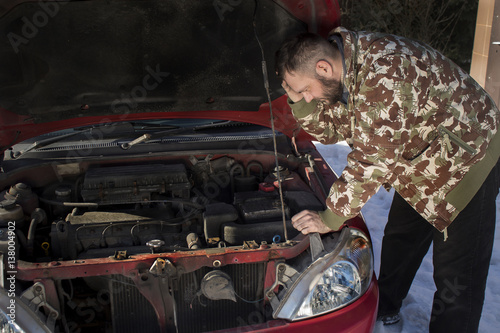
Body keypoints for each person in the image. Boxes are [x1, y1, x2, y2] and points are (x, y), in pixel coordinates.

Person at [275, 27, 500, 333]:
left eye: (304, 91)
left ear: (323, 68)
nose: (306, 98)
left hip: (466, 159)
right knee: (400, 239)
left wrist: (331, 217)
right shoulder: (343, 71)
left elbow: (372, 160)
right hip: (418, 159)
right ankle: (387, 306)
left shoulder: (387, 73)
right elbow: (330, 131)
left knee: (456, 279)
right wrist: (297, 100)